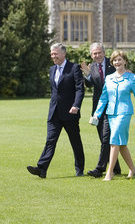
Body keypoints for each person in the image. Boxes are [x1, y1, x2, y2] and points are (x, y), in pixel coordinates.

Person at [92, 50, 135, 181]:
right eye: (115, 60)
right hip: (110, 114)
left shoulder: (132, 78)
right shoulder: (109, 78)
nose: (117, 62)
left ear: (125, 61)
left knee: (114, 140)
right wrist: (97, 114)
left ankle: (110, 173)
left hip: (124, 113)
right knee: (121, 145)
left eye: (119, 59)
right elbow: (103, 98)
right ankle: (132, 169)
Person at [27, 43, 85, 178]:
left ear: (63, 54)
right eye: (52, 54)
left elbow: (79, 88)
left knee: (75, 142)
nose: (53, 56)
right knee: (50, 141)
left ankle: (79, 169)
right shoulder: (52, 69)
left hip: (70, 112)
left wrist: (76, 105)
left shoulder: (74, 68)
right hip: (54, 113)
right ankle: (41, 168)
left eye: (56, 54)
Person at [80, 43, 121, 178]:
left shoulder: (113, 63)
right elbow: (90, 84)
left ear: (104, 52)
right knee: (104, 138)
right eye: (94, 54)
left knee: (106, 137)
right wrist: (86, 74)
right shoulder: (92, 67)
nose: (97, 55)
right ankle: (116, 167)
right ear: (91, 55)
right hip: (98, 108)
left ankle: (100, 168)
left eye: (99, 53)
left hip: (114, 106)